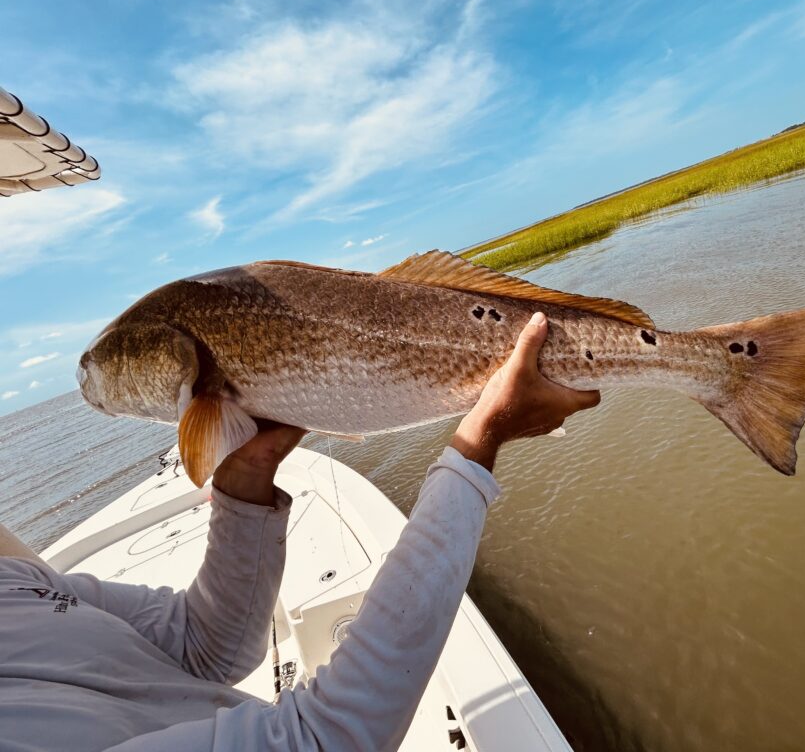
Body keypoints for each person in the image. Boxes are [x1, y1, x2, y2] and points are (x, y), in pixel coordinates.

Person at [0, 312, 600, 752]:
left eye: (106, 363)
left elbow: (205, 646)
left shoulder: (11, 582)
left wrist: (246, 481)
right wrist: (479, 441)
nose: (92, 377)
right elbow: (327, 740)